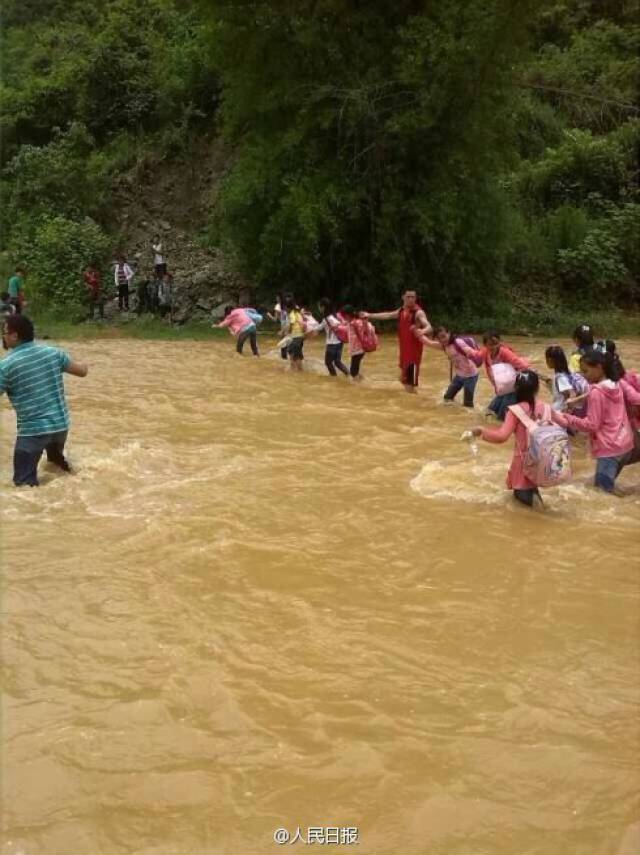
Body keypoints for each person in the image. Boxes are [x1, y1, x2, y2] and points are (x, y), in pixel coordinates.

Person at [0, 314, 88, 487]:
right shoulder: (53, 353)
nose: (2, 337)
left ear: (15, 335)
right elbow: (82, 371)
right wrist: (85, 363)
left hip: (33, 432)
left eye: (4, 332)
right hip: (60, 426)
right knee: (57, 467)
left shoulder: (6, 366)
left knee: (24, 487)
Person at [551, 351, 640, 493]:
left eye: (586, 371)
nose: (584, 375)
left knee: (602, 495)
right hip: (625, 445)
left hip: (609, 450)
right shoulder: (616, 383)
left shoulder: (596, 392)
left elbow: (592, 425)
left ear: (599, 367)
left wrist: (568, 418)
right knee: (604, 491)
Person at [471, 371, 546, 508]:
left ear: (516, 388)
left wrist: (481, 431)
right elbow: (565, 421)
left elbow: (501, 437)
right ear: (537, 388)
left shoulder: (514, 411)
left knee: (523, 506)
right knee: (534, 498)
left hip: (522, 464)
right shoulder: (545, 407)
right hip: (541, 462)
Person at [361, 289, 432, 393]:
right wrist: (370, 315)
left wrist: (422, 331)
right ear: (403, 297)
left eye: (413, 297)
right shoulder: (401, 311)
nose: (411, 299)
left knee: (408, 385)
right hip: (404, 352)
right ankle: (415, 401)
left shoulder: (418, 312)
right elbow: (387, 315)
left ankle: (413, 405)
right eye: (408, 297)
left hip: (413, 354)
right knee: (402, 380)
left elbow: (429, 326)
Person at [465, 332, 530, 421]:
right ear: (485, 345)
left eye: (496, 344)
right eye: (490, 345)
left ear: (499, 342)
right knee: (489, 412)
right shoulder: (485, 352)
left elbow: (521, 364)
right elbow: (477, 356)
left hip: (512, 388)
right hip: (501, 389)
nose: (494, 347)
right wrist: (468, 352)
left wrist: (525, 371)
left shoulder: (504, 352)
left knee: (502, 417)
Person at [415, 326, 480, 408]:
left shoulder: (458, 342)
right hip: (459, 375)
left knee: (468, 403)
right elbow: (429, 343)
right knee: (447, 398)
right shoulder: (443, 346)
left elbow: (474, 353)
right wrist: (419, 334)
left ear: (449, 333)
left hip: (471, 376)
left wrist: (472, 354)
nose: (442, 340)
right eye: (439, 338)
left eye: (443, 336)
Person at [544, 345, 588, 414]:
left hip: (560, 411)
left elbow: (571, 393)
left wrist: (567, 410)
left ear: (550, 360)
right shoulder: (569, 373)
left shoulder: (560, 378)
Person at [315, 298, 348, 377]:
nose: (319, 308)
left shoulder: (326, 319)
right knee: (337, 362)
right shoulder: (335, 316)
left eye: (319, 306)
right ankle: (349, 374)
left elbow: (317, 328)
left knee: (328, 362)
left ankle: (334, 377)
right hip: (340, 342)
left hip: (331, 344)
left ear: (323, 307)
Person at [342, 305, 368, 380]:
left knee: (353, 372)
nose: (344, 317)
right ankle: (362, 381)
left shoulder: (355, 323)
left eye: (345, 315)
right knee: (355, 371)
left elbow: (364, 332)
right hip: (357, 350)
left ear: (348, 315)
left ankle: (358, 387)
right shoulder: (352, 322)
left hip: (358, 350)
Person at [282, 295, 305, 370]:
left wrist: (286, 333)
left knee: (292, 353)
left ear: (287, 307)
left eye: (285, 308)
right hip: (300, 337)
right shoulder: (297, 313)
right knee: (298, 355)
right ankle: (300, 371)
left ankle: (293, 370)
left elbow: (291, 325)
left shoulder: (291, 314)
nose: (284, 309)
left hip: (296, 337)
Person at [267, 294, 289, 360]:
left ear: (278, 298)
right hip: (291, 325)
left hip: (284, 326)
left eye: (277, 298)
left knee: (283, 344)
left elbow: (275, 319)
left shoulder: (278, 306)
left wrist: (269, 315)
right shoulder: (288, 305)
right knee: (289, 342)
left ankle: (284, 358)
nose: (276, 299)